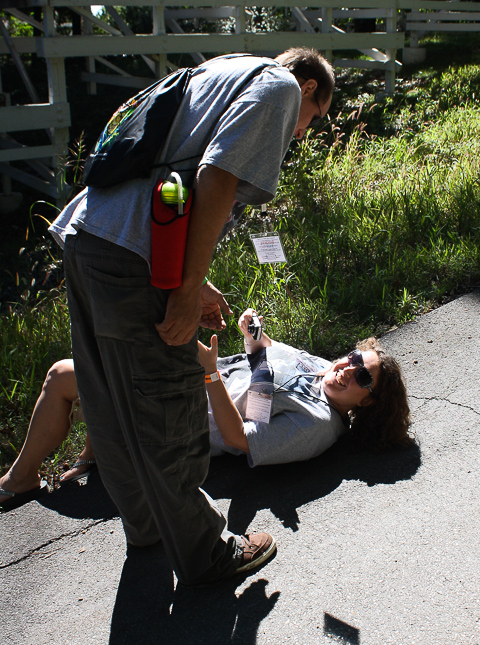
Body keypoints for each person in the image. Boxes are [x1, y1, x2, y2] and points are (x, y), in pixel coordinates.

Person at [46, 49, 335, 585]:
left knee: (109, 396)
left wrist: (194, 279)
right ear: (312, 87)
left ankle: (149, 526)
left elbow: (170, 166)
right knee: (165, 403)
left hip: (90, 232)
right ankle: (207, 555)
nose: (301, 132)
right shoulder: (282, 88)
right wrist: (181, 292)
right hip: (136, 252)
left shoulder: (222, 68)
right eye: (312, 121)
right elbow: (216, 178)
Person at [0, 309, 413, 510]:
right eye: (355, 360)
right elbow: (265, 356)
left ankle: (20, 479)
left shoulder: (318, 426)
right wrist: (254, 332)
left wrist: (211, 375)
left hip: (184, 413)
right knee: (104, 355)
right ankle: (94, 456)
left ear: (368, 402)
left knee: (63, 377)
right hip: (191, 378)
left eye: (363, 378)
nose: (348, 370)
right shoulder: (323, 368)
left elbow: (239, 439)